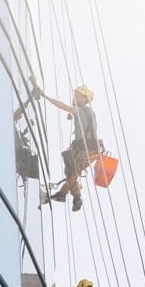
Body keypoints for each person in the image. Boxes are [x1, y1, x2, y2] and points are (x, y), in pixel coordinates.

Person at [37, 82, 96, 211]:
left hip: (85, 150)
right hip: (90, 150)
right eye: (75, 95)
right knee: (71, 172)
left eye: (78, 96)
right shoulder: (88, 112)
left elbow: (63, 106)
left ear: (86, 99)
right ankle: (62, 194)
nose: (75, 97)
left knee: (71, 170)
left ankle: (76, 197)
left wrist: (45, 96)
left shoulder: (81, 110)